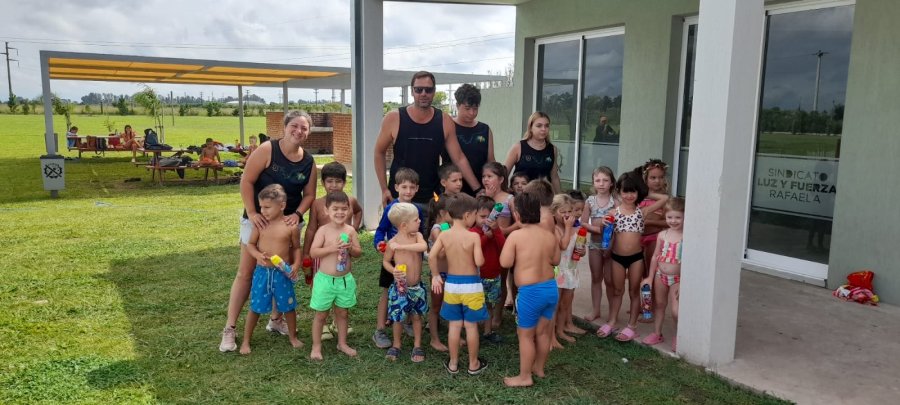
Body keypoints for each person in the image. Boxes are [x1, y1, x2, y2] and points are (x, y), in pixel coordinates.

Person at [219, 110, 317, 353]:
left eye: (304, 128)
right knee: (246, 272)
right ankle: (230, 329)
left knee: (281, 271)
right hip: (259, 222)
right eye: (294, 126)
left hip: (288, 224)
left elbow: (310, 195)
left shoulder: (309, 161)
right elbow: (247, 181)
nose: (299, 131)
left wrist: (297, 214)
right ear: (284, 127)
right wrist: (252, 213)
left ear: (308, 132)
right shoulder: (267, 150)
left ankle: (276, 320)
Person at [374, 71, 482, 208]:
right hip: (400, 199)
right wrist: (384, 189)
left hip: (431, 199)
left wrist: (478, 189)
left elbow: (459, 158)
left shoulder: (444, 120)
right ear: (412, 91)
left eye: (428, 89)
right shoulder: (394, 118)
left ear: (434, 92)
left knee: (434, 229)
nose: (423, 93)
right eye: (419, 89)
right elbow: (379, 152)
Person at [595, 170, 668, 342]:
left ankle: (631, 325)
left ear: (638, 192)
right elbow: (601, 229)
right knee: (617, 291)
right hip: (617, 258)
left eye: (633, 191)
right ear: (619, 191)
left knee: (634, 291)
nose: (629, 195)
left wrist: (644, 190)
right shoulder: (613, 213)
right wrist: (603, 224)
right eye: (625, 191)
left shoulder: (642, 212)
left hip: (636, 258)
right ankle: (612, 321)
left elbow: (664, 199)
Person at [500, 191, 560, 388]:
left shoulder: (516, 236)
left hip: (530, 293)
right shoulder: (549, 235)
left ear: (517, 215)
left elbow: (505, 261)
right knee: (543, 333)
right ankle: (539, 368)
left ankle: (525, 376)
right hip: (551, 289)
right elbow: (556, 260)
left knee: (525, 335)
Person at [302, 162, 363, 340]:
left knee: (342, 283)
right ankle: (323, 325)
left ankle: (339, 320)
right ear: (323, 183)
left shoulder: (350, 200)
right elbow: (312, 228)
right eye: (330, 181)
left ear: (344, 182)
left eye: (338, 181)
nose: (334, 185)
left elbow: (358, 212)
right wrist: (306, 252)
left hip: (343, 255)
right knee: (321, 286)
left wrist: (355, 229)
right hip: (323, 252)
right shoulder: (317, 203)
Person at [239, 184, 303, 354]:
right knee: (256, 306)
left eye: (267, 207)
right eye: (261, 206)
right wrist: (257, 255)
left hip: (282, 274)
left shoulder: (291, 227)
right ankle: (246, 341)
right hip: (263, 273)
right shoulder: (260, 225)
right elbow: (251, 244)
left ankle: (292, 337)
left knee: (288, 305)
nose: (263, 211)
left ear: (282, 206)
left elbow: (296, 248)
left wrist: (296, 265)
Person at [429, 193, 488, 375]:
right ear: (468, 215)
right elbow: (479, 262)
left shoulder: (445, 235)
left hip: (452, 285)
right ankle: (473, 364)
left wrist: (436, 275)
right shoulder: (473, 237)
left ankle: (453, 363)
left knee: (454, 325)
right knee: (470, 326)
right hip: (471, 286)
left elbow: (431, 255)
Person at [372, 168, 425, 349]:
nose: (408, 191)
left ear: (417, 188)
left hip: (412, 259)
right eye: (404, 187)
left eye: (412, 187)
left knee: (411, 288)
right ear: (396, 187)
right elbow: (380, 230)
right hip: (393, 260)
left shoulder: (417, 210)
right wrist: (379, 243)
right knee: (388, 292)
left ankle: (409, 321)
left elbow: (421, 232)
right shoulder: (391, 208)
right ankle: (380, 329)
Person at [308, 191, 363, 360]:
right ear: (326, 210)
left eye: (344, 209)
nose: (340, 212)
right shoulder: (323, 231)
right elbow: (313, 252)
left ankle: (342, 343)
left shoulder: (351, 230)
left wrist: (350, 248)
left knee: (343, 313)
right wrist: (332, 248)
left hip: (344, 281)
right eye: (335, 209)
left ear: (349, 210)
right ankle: (316, 347)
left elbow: (358, 252)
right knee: (321, 315)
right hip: (325, 280)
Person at [382, 202, 429, 362]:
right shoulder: (392, 242)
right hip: (400, 288)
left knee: (416, 317)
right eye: (416, 220)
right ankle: (396, 345)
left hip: (416, 287)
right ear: (403, 225)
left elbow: (423, 247)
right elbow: (386, 262)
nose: (419, 221)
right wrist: (392, 270)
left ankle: (417, 345)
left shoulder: (417, 236)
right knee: (398, 318)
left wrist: (403, 247)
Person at [641, 197, 684, 352]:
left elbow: (690, 262)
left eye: (678, 217)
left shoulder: (686, 237)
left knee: (675, 310)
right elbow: (655, 256)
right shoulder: (662, 235)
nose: (673, 221)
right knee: (659, 305)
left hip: (677, 279)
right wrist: (650, 277)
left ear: (685, 217)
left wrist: (685, 282)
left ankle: (678, 336)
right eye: (669, 217)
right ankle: (657, 333)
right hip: (660, 275)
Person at [481, 162, 517, 329]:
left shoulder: (509, 199)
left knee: (501, 280)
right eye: (484, 177)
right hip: (485, 245)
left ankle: (497, 315)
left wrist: (503, 230)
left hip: (503, 245)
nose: (486, 180)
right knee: (484, 278)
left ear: (501, 179)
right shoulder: (482, 197)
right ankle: (484, 312)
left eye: (490, 177)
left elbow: (520, 223)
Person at [443, 83, 495, 196]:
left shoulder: (484, 129)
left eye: (475, 108)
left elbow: (490, 161)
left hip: (480, 191)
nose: (472, 113)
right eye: (467, 108)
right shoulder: (448, 126)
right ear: (457, 105)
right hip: (453, 192)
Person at [580, 166, 616, 322]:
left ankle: (612, 313)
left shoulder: (616, 203)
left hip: (611, 246)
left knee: (609, 280)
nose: (601, 183)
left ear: (612, 183)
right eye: (598, 180)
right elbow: (582, 222)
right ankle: (596, 310)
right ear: (593, 183)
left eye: (605, 180)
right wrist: (597, 228)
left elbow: (618, 227)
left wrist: (610, 244)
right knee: (596, 278)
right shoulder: (590, 201)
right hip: (594, 245)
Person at [551, 193, 586, 345]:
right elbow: (563, 245)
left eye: (569, 211)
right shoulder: (555, 229)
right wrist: (567, 227)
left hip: (571, 270)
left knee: (566, 303)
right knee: (555, 304)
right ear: (554, 212)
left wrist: (582, 250)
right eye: (562, 212)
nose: (567, 215)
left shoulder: (575, 229)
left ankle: (560, 330)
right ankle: (551, 335)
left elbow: (578, 249)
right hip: (559, 272)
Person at [470, 196, 506, 343]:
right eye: (482, 216)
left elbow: (504, 247)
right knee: (474, 305)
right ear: (473, 216)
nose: (486, 220)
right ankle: (472, 331)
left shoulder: (496, 230)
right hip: (477, 277)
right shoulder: (473, 232)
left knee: (489, 305)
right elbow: (473, 250)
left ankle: (487, 331)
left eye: (490, 217)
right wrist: (485, 237)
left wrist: (496, 231)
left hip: (493, 275)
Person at [504, 111, 561, 194]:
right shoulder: (518, 147)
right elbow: (504, 173)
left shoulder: (552, 149)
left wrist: (561, 199)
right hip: (522, 198)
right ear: (530, 127)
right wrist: (504, 193)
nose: (543, 129)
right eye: (539, 126)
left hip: (543, 199)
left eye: (546, 126)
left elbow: (554, 176)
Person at [425, 194, 451, 352]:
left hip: (450, 274)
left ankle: (451, 334)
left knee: (450, 304)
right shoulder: (437, 230)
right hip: (439, 275)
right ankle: (434, 339)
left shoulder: (447, 227)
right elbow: (441, 254)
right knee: (436, 306)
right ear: (442, 212)